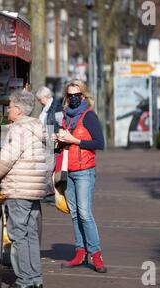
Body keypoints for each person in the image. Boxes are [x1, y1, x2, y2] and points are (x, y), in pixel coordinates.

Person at [0, 90, 47, 288]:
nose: (7, 109)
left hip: (19, 188)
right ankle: (35, 278)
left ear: (18, 110)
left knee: (18, 235)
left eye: (10, 106)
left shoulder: (18, 129)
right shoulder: (37, 127)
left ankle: (24, 280)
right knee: (29, 234)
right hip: (33, 188)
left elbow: (6, 159)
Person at [54, 80, 107, 273]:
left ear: (83, 96)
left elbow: (99, 143)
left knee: (85, 213)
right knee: (74, 213)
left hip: (85, 170)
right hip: (69, 169)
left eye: (77, 95)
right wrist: (60, 141)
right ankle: (80, 251)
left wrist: (74, 139)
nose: (73, 99)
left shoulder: (89, 116)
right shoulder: (66, 118)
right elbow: (66, 145)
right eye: (70, 96)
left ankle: (96, 254)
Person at [35, 86, 63, 201]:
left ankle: (50, 193)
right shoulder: (46, 108)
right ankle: (47, 192)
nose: (39, 101)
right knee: (46, 165)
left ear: (45, 97)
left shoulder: (56, 106)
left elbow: (61, 124)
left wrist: (57, 137)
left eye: (40, 99)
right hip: (46, 138)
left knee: (49, 166)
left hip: (52, 138)